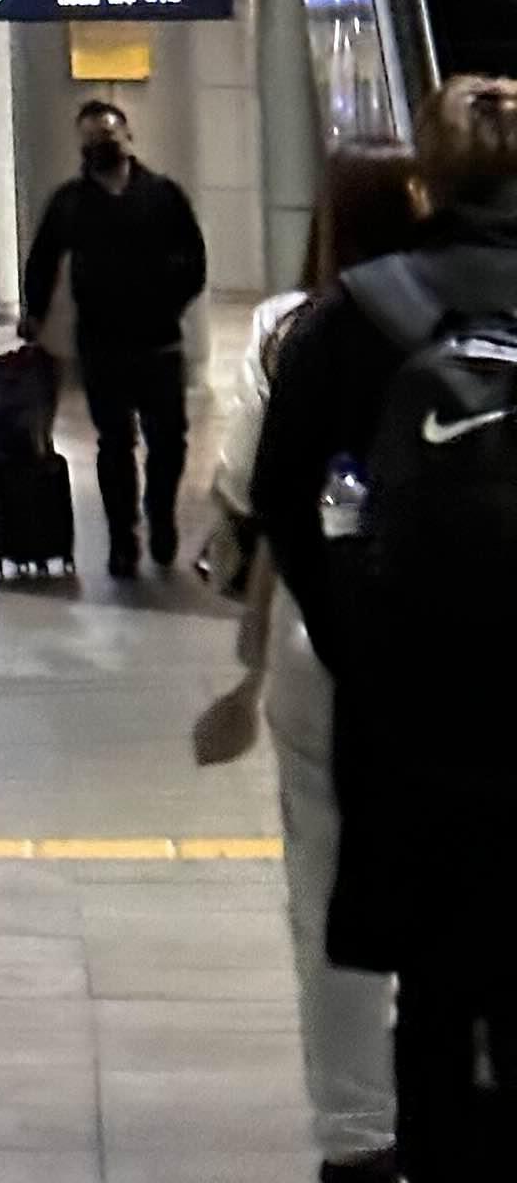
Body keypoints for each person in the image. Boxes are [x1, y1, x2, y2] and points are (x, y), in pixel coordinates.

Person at [251, 76, 517, 1183]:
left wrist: (355, 638)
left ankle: (412, 1150)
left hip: (406, 705)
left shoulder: (356, 311)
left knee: (433, 970)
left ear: (426, 182)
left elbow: (280, 495)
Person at [194, 144, 418, 1183]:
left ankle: (358, 1137)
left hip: (323, 640)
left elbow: (245, 492)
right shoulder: (479, 312)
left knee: (328, 894)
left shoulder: (293, 325)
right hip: (471, 637)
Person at [21, 98, 208, 578]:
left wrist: (169, 299)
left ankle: (160, 513)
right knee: (114, 443)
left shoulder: (163, 195)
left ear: (128, 136)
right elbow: (43, 261)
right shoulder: (70, 202)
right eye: (91, 138)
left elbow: (193, 258)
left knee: (169, 440)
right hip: (101, 343)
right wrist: (34, 315)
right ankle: (123, 536)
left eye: (108, 134)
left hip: (159, 341)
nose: (101, 144)